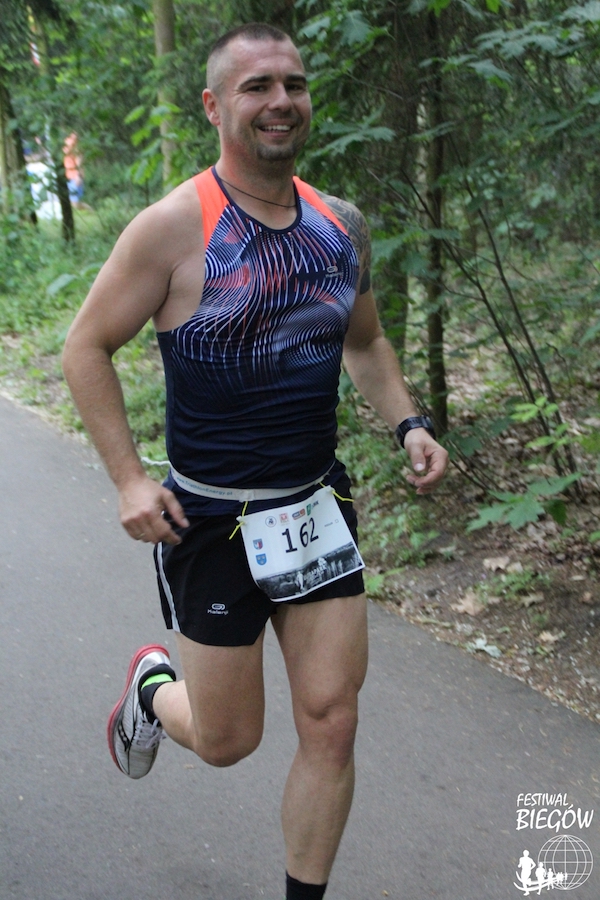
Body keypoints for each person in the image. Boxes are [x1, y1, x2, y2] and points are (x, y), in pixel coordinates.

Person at [62, 22, 448, 900]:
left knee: (333, 722)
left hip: (314, 507)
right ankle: (152, 687)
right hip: (210, 519)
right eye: (256, 86)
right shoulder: (174, 227)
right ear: (214, 105)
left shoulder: (339, 225)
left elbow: (365, 342)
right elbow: (85, 347)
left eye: (293, 84)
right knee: (227, 741)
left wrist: (409, 424)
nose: (281, 101)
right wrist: (129, 479)